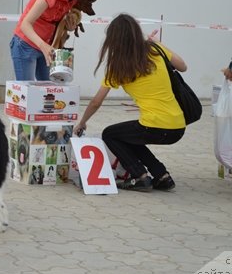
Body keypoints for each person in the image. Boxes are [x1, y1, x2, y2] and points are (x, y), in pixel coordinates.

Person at [73, 13, 187, 192]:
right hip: (178, 126)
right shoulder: (155, 49)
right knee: (131, 136)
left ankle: (140, 176)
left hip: (155, 125)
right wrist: (158, 43)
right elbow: (183, 66)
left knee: (110, 134)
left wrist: (82, 122)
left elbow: (96, 102)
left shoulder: (118, 66)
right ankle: (161, 175)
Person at [10, 0, 102, 81]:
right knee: (26, 91)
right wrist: (43, 46)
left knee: (51, 89)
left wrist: (69, 27)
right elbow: (25, 24)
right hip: (26, 44)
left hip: (49, 46)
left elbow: (60, 21)